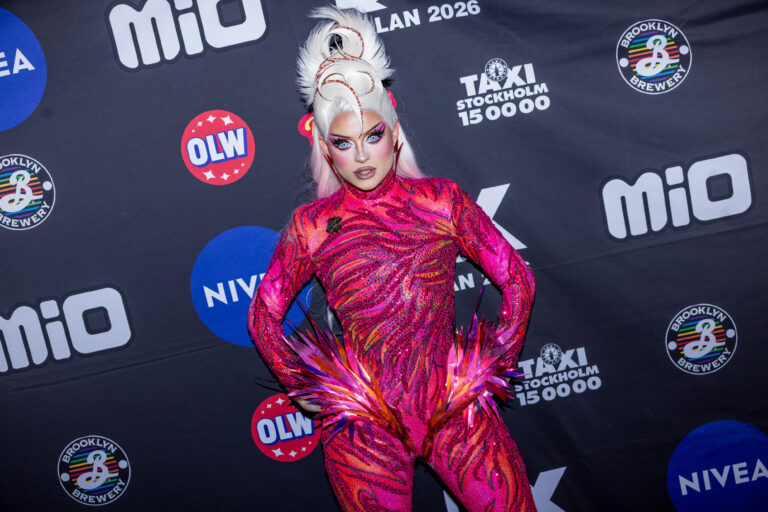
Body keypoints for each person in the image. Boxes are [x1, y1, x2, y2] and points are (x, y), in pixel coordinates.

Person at [248, 7, 536, 512]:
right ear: (326, 149)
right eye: (344, 143)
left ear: (394, 133)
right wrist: (300, 385)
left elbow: (517, 280)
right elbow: (262, 315)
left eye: (373, 136)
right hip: (365, 433)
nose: (361, 156)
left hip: (456, 416)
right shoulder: (312, 226)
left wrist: (493, 366)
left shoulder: (441, 202)